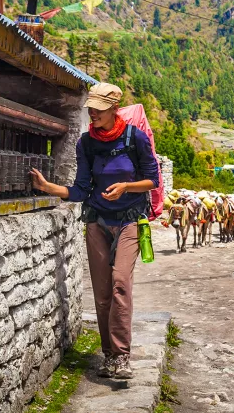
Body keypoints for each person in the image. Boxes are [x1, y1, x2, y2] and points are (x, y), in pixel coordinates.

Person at [30, 83, 160, 379]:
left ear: (114, 109)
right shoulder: (85, 143)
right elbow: (81, 189)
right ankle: (110, 355)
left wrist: (127, 186)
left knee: (120, 285)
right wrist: (50, 188)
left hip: (129, 220)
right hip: (97, 222)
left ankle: (122, 355)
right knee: (102, 294)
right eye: (91, 108)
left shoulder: (135, 139)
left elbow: (152, 179)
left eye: (99, 109)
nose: (93, 114)